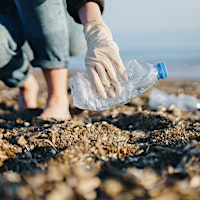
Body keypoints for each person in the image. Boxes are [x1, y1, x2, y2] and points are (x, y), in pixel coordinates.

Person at [0, 0, 127, 120]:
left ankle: (57, 97)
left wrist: (95, 28)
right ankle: (25, 82)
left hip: (65, 21)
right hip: (14, 23)